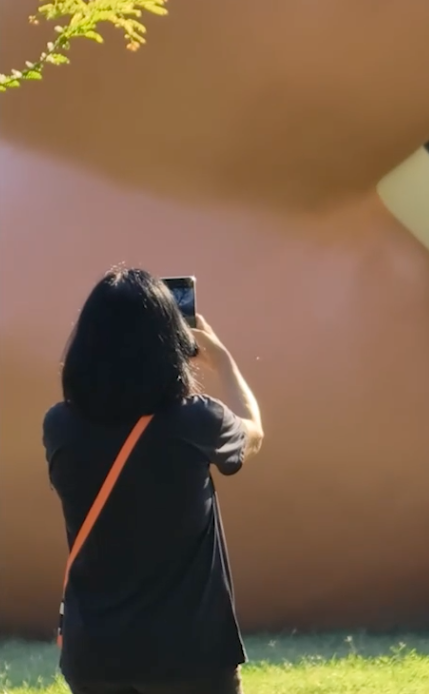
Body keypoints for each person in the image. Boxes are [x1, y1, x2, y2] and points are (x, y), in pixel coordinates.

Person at [43, 267, 265, 694]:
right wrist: (221, 360)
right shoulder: (197, 421)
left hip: (94, 655)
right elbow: (253, 432)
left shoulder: (59, 427)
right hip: (191, 653)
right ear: (172, 344)